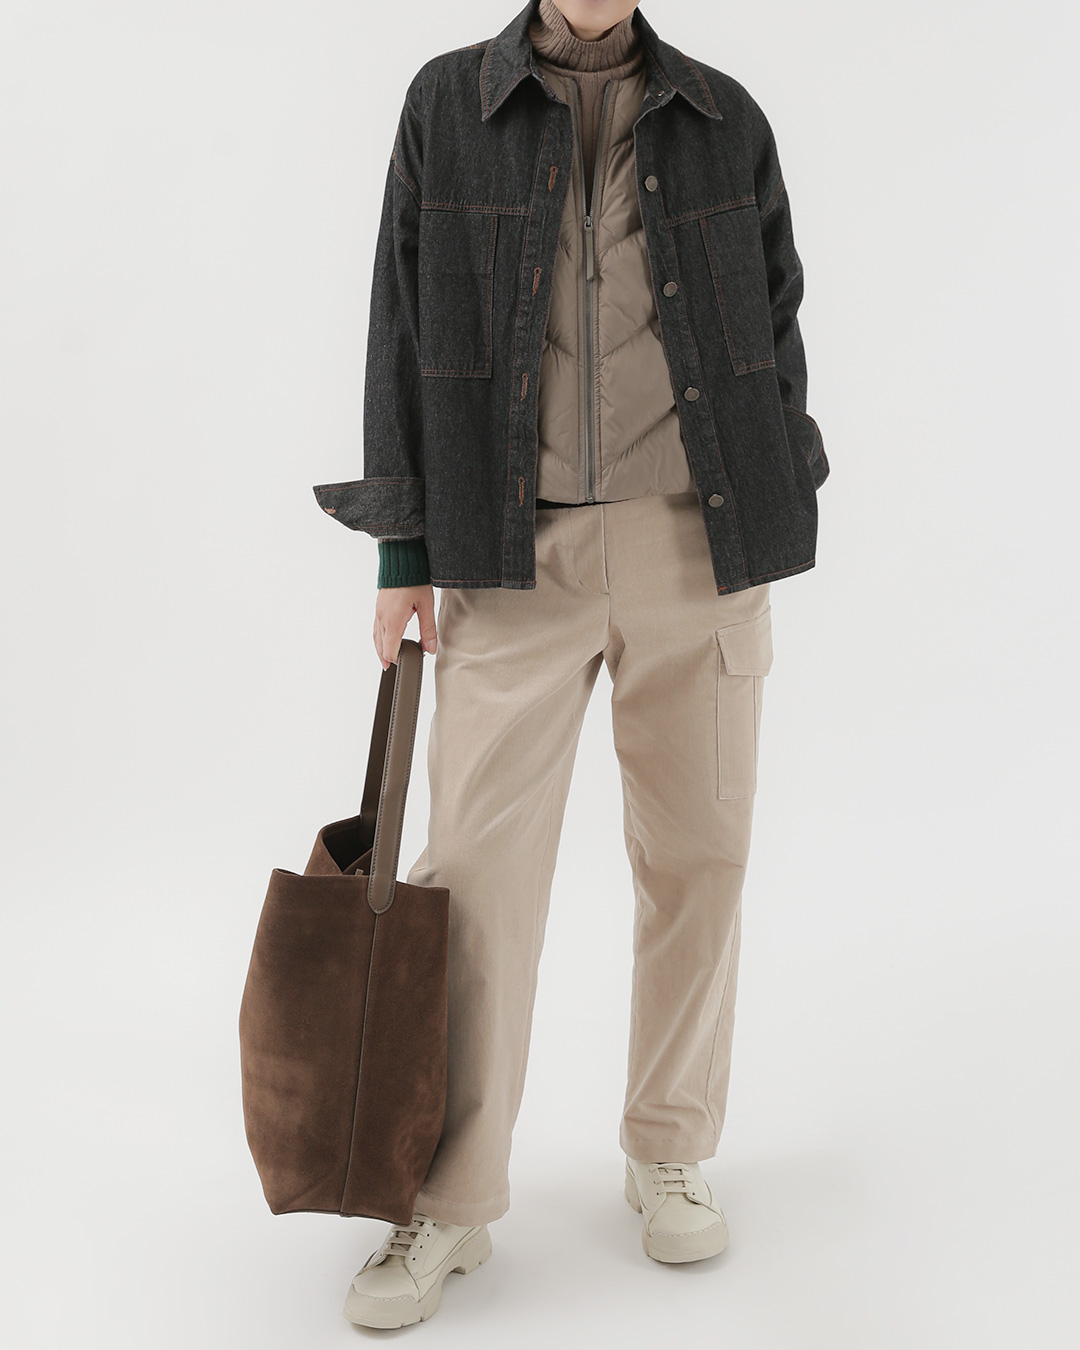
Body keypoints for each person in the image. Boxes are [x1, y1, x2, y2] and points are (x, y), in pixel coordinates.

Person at [313, 0, 829, 1328]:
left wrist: (780, 489)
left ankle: (670, 1144)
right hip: (508, 553)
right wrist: (402, 550)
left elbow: (776, 320)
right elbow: (399, 323)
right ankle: (448, 1195)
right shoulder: (449, 104)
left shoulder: (722, 117)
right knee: (474, 881)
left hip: (698, 544)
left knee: (700, 857)